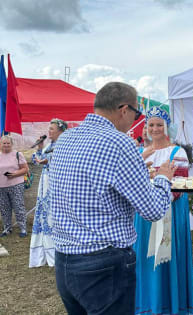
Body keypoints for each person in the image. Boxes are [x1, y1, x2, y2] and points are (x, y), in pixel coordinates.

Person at [49, 82, 176, 315]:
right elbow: (153, 210)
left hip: (64, 258)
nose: (136, 121)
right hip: (103, 262)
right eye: (136, 114)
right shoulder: (120, 142)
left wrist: (135, 176)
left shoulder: (66, 138)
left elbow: (89, 183)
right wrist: (163, 179)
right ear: (123, 109)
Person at [133, 106, 193, 315]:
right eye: (151, 125)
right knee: (145, 259)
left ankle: (169, 304)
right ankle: (148, 303)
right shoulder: (141, 152)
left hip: (168, 212)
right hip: (143, 215)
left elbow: (180, 185)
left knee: (166, 258)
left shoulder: (176, 152)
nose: (155, 129)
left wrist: (156, 187)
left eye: (159, 125)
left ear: (166, 127)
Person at [29, 118, 68, 268]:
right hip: (44, 184)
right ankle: (43, 250)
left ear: (60, 130)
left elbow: (63, 163)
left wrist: (49, 161)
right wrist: (39, 149)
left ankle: (56, 250)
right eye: (49, 129)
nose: (49, 131)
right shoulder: (49, 145)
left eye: (52, 129)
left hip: (56, 184)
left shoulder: (64, 145)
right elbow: (36, 160)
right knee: (44, 215)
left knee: (54, 214)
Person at [0, 135, 29, 237]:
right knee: (4, 208)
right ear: (0, 144)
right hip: (1, 187)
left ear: (11, 144)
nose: (6, 145)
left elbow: (25, 169)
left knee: (18, 207)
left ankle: (23, 229)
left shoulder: (17, 154)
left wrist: (14, 174)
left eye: (8, 143)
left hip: (16, 185)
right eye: (4, 143)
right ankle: (7, 228)